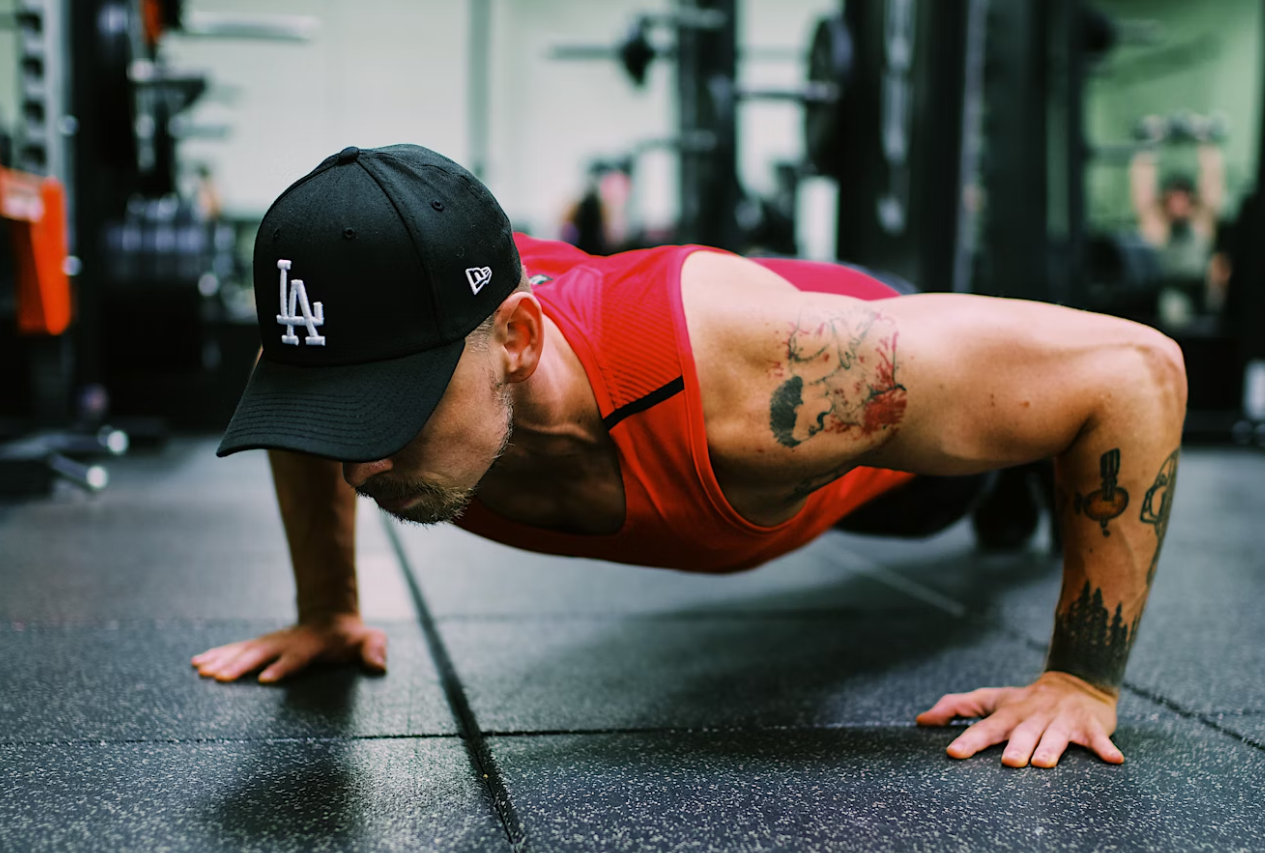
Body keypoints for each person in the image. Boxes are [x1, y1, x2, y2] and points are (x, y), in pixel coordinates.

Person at [194, 144, 1186, 770]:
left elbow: (1134, 372)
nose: (358, 465)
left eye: (389, 413)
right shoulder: (390, 351)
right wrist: (328, 606)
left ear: (518, 341)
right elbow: (293, 384)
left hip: (865, 415)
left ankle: (1013, 476)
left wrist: (1080, 682)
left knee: (965, 478)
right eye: (335, 415)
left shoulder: (767, 389)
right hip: (715, 420)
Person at [1130, 120, 1228, 320]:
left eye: (1183, 200)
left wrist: (1206, 143)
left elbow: (1212, 189)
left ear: (1191, 202)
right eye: (1174, 200)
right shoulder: (1158, 228)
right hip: (1163, 298)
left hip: (1201, 298)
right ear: (1165, 202)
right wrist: (1148, 147)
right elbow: (1142, 194)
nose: (1179, 205)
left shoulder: (1201, 226)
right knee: (1172, 305)